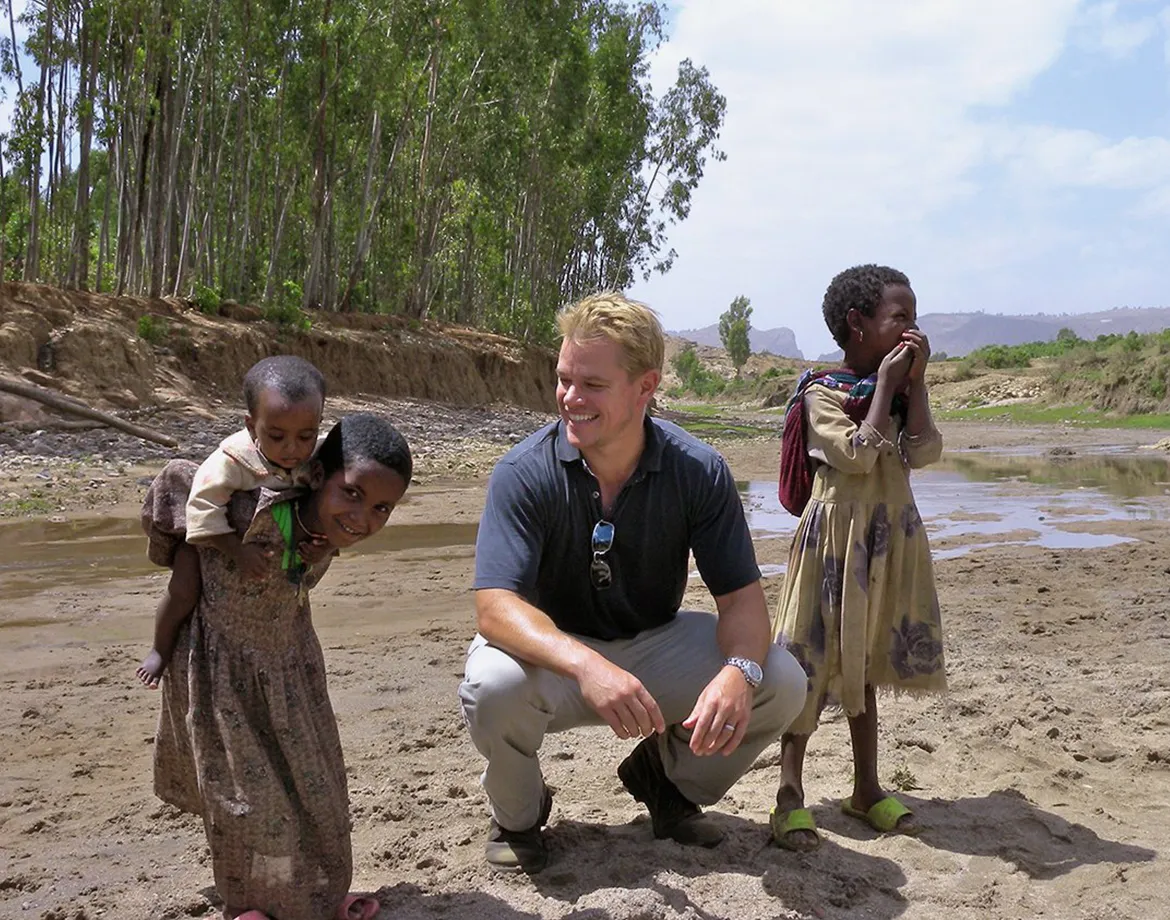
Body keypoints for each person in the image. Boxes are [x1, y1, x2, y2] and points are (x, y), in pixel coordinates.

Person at [458, 292, 808, 874]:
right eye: (564, 378)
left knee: (780, 678)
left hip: (652, 647)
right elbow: (496, 608)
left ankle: (667, 782)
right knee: (492, 686)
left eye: (591, 384)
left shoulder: (697, 470)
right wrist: (587, 667)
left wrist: (737, 674)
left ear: (645, 387)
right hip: (552, 660)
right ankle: (519, 815)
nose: (570, 398)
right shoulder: (523, 473)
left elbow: (743, 603)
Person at [142, 412, 412, 920]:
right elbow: (184, 497)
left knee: (321, 794)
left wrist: (321, 547)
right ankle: (252, 905)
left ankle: (321, 898)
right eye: (352, 494)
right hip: (222, 674)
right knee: (247, 804)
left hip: (292, 672)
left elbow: (294, 585)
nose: (364, 517)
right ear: (316, 477)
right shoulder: (244, 513)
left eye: (382, 508)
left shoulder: (323, 537)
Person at [769, 264, 945, 851]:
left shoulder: (895, 393)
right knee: (809, 663)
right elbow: (855, 455)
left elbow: (924, 450)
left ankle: (866, 787)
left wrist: (913, 387)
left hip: (884, 543)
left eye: (914, 319)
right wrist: (888, 391)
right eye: (900, 318)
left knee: (863, 662)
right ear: (857, 324)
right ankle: (789, 794)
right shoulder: (822, 392)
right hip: (833, 546)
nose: (910, 329)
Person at [136, 355, 328, 688]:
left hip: (264, 542)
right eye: (277, 436)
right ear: (252, 426)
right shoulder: (231, 459)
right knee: (183, 590)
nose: (292, 449)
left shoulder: (315, 456)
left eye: (305, 436)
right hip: (207, 535)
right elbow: (201, 507)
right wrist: (236, 550)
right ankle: (159, 649)